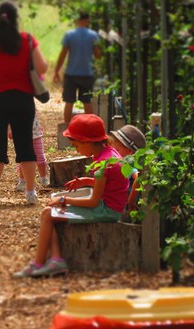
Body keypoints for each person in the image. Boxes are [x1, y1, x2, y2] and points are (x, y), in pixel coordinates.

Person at [13, 114, 129, 278]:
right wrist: (86, 181)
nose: (76, 150)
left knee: (48, 213)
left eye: (76, 145)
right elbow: (111, 184)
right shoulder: (109, 153)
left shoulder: (102, 164)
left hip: (107, 210)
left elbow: (93, 201)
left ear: (87, 141)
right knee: (49, 212)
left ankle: (40, 264)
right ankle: (55, 260)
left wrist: (63, 199)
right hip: (110, 205)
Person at [0, 0, 48, 206]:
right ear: (16, 19)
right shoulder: (27, 40)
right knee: (25, 143)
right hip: (23, 99)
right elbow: (42, 67)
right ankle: (31, 193)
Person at [53, 11, 102, 123]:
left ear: (77, 20)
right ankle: (90, 128)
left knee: (69, 102)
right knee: (87, 102)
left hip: (71, 74)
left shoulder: (70, 35)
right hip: (87, 74)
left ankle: (67, 128)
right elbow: (98, 55)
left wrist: (56, 71)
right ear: (87, 20)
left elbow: (63, 54)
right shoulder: (93, 35)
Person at [108, 125, 146, 212]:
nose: (114, 154)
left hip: (126, 205)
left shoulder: (129, 165)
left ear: (130, 152)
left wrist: (131, 201)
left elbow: (138, 178)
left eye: (117, 150)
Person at [7, 115, 49, 191]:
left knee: (40, 158)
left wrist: (40, 124)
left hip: (36, 134)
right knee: (23, 159)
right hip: (21, 135)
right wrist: (10, 129)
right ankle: (22, 181)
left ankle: (44, 178)